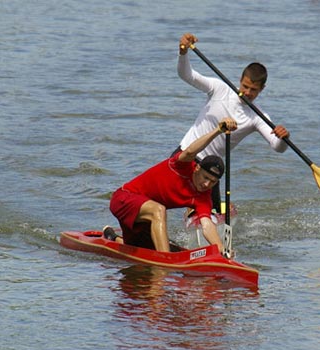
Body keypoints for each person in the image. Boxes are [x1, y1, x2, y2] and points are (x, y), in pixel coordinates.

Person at [176, 33, 291, 211]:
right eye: (245, 86)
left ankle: (210, 212)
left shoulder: (257, 116)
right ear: (240, 81)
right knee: (162, 197)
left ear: (262, 89)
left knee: (210, 212)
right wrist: (183, 53)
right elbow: (187, 76)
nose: (247, 92)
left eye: (253, 90)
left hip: (210, 168)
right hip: (185, 153)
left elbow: (277, 147)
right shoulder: (219, 89)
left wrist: (283, 138)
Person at [107, 118, 238, 255]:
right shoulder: (182, 166)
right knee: (159, 210)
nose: (207, 184)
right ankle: (165, 260)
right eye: (205, 177)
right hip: (124, 198)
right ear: (197, 168)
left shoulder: (203, 197)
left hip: (146, 214)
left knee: (145, 250)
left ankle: (112, 237)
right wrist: (218, 130)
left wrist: (221, 249)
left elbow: (206, 225)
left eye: (212, 181)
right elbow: (190, 152)